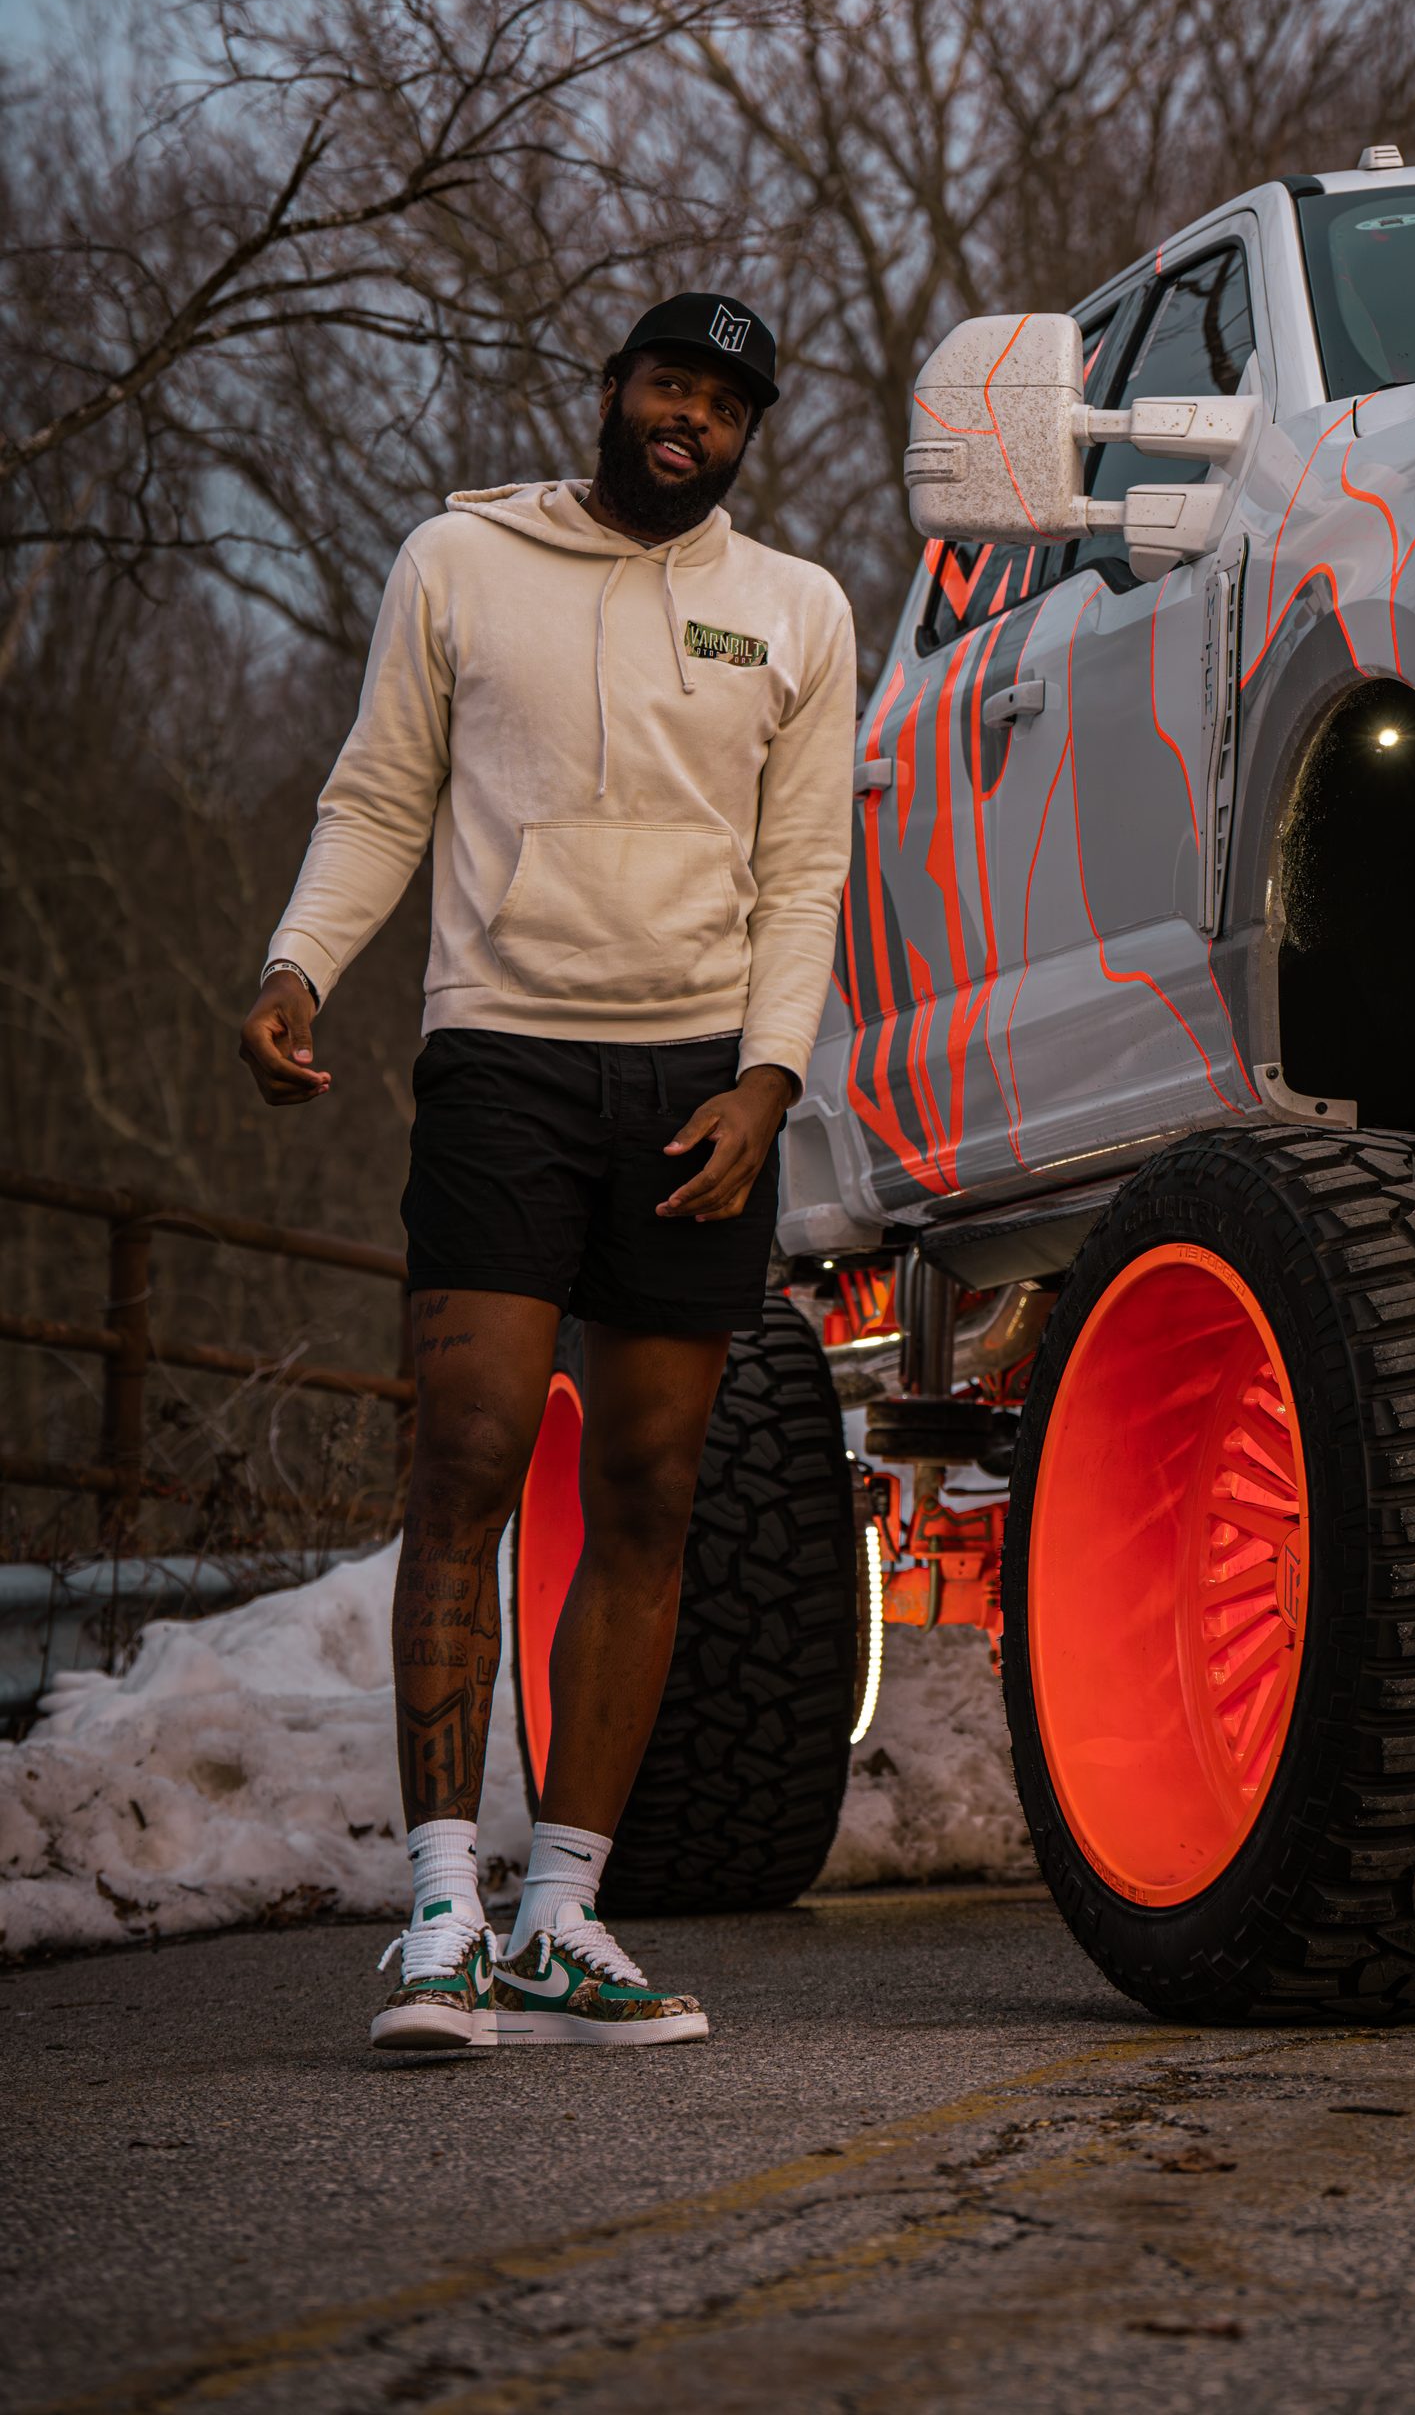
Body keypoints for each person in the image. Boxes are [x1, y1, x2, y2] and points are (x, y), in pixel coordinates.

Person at [239, 294, 855, 2053]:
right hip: (501, 1051)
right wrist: (298, 965)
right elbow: (379, 796)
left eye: (727, 405)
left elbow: (805, 874)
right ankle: (440, 1910)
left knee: (654, 1493)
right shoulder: (459, 559)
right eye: (672, 383)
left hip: (693, 1091)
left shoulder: (796, 609)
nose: (693, 420)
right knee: (472, 1457)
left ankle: (562, 1916)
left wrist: (769, 1079)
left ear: (743, 436)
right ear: (612, 392)